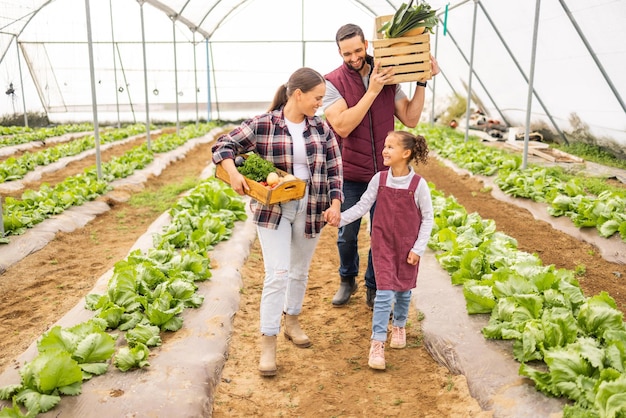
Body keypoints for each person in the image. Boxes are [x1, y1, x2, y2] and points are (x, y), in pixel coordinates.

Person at [211, 67, 343, 377]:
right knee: (278, 273)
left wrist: (335, 203)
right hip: (273, 210)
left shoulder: (321, 130)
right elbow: (222, 146)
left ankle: (292, 321)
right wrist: (233, 173)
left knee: (298, 272)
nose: (319, 105)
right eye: (317, 98)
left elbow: (335, 171)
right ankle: (268, 341)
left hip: (311, 208)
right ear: (298, 94)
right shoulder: (262, 125)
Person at [323, 23, 439, 308]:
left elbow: (410, 119)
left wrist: (422, 81)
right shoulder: (332, 83)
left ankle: (374, 285)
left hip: (385, 174)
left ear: (367, 45)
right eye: (346, 53)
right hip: (349, 172)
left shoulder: (388, 74)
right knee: (346, 234)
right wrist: (373, 91)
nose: (353, 58)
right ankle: (346, 278)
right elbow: (343, 126)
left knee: (382, 233)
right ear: (339, 52)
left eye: (358, 50)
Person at [327, 130, 433, 370]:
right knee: (384, 293)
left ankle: (399, 325)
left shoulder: (418, 185)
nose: (384, 150)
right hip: (382, 245)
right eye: (385, 146)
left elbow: (428, 219)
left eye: (390, 147)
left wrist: (418, 248)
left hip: (407, 248)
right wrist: (340, 219)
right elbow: (363, 205)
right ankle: (377, 343)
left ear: (406, 153)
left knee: (404, 291)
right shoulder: (379, 179)